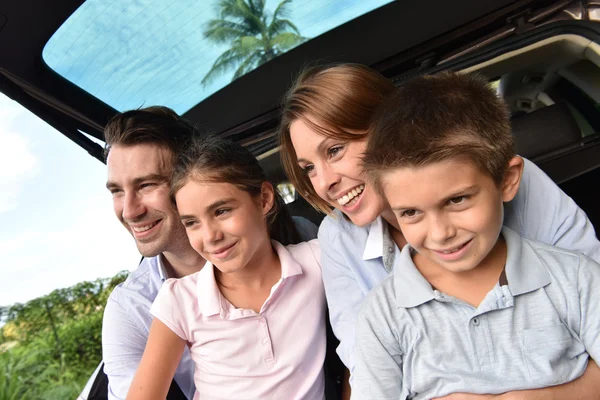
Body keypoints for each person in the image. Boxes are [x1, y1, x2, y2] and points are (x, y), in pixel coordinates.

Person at [278, 63, 600, 398]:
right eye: (309, 168)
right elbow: (367, 366)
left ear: (389, 125)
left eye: (335, 150)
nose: (325, 182)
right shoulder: (342, 243)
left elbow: (586, 286)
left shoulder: (565, 265)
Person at [101, 107, 318, 400]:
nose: (129, 210)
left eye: (147, 185)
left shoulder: (302, 243)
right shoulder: (133, 308)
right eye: (116, 191)